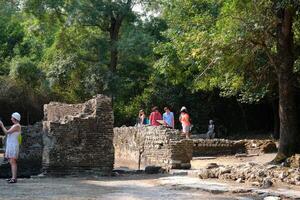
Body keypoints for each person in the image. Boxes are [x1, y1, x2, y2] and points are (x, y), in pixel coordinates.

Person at [0, 112, 21, 183]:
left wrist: (2, 125)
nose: (11, 118)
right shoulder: (15, 125)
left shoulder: (17, 126)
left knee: (13, 161)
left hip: (13, 145)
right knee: (11, 161)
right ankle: (13, 177)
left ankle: (14, 178)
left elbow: (7, 132)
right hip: (11, 145)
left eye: (12, 117)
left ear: (15, 118)